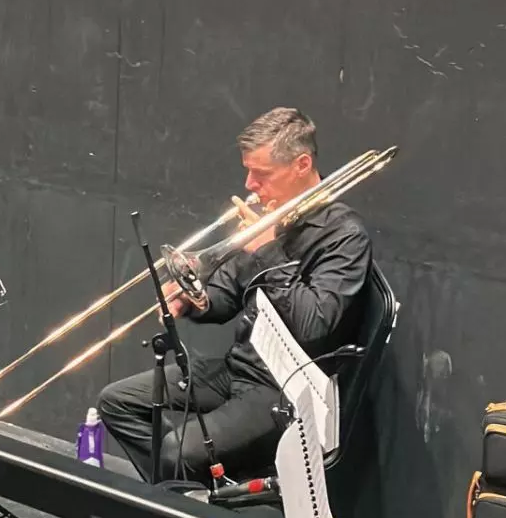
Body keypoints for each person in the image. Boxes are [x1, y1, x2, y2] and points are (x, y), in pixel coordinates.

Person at [98, 107, 377, 485]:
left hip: (283, 390)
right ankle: (190, 497)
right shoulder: (269, 216)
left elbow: (315, 324)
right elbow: (226, 295)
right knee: (117, 403)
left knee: (177, 450)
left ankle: (183, 496)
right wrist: (194, 299)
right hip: (236, 368)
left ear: (301, 164)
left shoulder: (344, 236)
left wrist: (267, 251)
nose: (249, 185)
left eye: (261, 174)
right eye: (248, 171)